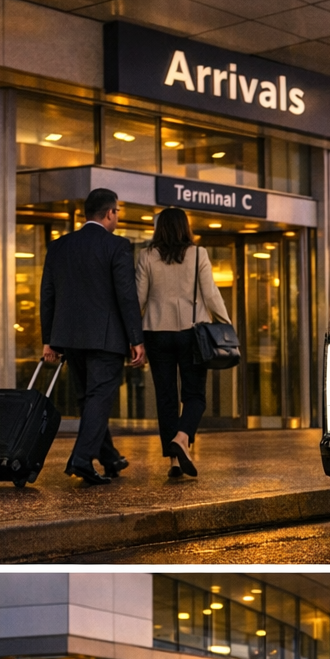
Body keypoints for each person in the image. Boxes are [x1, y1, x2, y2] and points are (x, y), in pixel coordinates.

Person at [39, 188, 146, 485]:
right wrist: (136, 339)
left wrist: (49, 339)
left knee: (89, 399)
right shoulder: (117, 246)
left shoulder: (59, 246)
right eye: (118, 212)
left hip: (70, 339)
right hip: (106, 339)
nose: (117, 217)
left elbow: (47, 294)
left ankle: (109, 457)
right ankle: (82, 458)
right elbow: (127, 296)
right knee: (99, 398)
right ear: (110, 212)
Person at [135, 207, 231, 478]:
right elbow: (211, 294)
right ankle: (182, 436)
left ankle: (174, 461)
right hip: (192, 334)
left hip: (155, 333)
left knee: (166, 397)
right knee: (195, 395)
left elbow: (138, 300)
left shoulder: (146, 256)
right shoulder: (198, 254)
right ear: (185, 227)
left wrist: (133, 336)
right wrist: (226, 324)